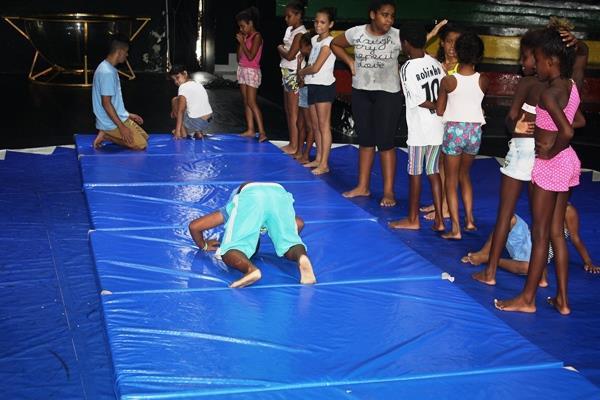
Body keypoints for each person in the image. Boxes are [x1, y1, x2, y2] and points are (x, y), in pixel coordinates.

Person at [472, 19, 587, 286]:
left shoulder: (545, 85)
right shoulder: (550, 84)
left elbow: (513, 120)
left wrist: (521, 128)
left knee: (523, 218)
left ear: (542, 58)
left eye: (526, 57)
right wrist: (520, 127)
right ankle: (517, 274)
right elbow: (512, 119)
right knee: (532, 220)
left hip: (535, 154)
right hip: (539, 154)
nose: (523, 63)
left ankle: (497, 273)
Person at [494, 26, 582, 315]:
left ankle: (528, 298)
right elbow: (574, 122)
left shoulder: (548, 94)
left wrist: (550, 151)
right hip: (569, 161)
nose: (537, 66)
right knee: (557, 232)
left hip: (551, 163)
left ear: (551, 61)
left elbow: (567, 131)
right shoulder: (571, 84)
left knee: (541, 233)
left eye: (540, 59)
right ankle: (563, 301)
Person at [188, 182, 317, 288]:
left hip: (251, 194)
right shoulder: (261, 218)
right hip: (278, 193)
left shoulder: (236, 210)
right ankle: (301, 257)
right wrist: (286, 239)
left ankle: (251, 270)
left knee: (231, 247)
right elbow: (299, 223)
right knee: (290, 242)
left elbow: (194, 226)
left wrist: (204, 245)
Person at [388, 22, 445, 231]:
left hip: (420, 129)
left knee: (415, 173)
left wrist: (437, 106)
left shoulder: (408, 68)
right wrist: (441, 107)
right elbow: (444, 90)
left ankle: (413, 218)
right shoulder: (435, 63)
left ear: (405, 44)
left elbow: (418, 100)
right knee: (433, 171)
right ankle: (439, 219)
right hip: (438, 127)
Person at [436, 31, 489, 239]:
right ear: (480, 56)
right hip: (475, 133)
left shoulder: (449, 81)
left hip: (454, 132)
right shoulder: (483, 80)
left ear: (457, 52)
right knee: (465, 176)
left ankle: (456, 229)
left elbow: (440, 110)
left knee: (450, 180)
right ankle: (469, 220)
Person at [463, 205, 600, 279]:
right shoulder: (542, 197)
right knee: (508, 217)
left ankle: (489, 259)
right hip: (526, 238)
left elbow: (575, 238)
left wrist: (588, 262)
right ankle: (483, 253)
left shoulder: (568, 211)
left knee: (530, 269)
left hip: (538, 254)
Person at [421, 22, 462, 221]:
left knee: (450, 167)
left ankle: (446, 207)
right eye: (448, 42)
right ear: (442, 43)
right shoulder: (436, 64)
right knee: (440, 165)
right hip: (440, 121)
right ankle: (440, 202)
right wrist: (433, 33)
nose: (452, 47)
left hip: (456, 122)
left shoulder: (463, 68)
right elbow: (415, 48)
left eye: (457, 43)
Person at [297, 8, 337, 175]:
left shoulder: (329, 43)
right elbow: (311, 62)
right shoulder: (314, 39)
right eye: (316, 21)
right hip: (313, 85)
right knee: (315, 125)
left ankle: (324, 163)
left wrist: (301, 72)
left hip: (324, 86)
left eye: (323, 22)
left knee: (323, 125)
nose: (318, 25)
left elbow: (315, 67)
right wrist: (305, 72)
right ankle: (319, 158)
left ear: (330, 24)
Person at [92, 34, 148, 150]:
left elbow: (114, 102)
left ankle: (109, 132)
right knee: (141, 145)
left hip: (116, 117)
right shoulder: (107, 72)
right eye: (126, 52)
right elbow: (106, 103)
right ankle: (107, 135)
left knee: (145, 137)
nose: (127, 55)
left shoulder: (109, 68)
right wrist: (122, 127)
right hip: (110, 122)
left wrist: (128, 115)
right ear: (120, 51)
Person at [277, 0, 307, 155]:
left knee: (294, 111)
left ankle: (295, 145)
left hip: (293, 72)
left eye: (289, 16)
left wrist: (279, 48)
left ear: (299, 15)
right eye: (286, 16)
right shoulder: (290, 30)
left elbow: (289, 55)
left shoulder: (300, 33)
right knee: (289, 110)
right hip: (286, 72)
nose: (286, 19)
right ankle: (292, 142)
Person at [235, 6, 267, 142]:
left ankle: (263, 132)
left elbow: (251, 56)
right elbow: (239, 58)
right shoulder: (246, 37)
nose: (241, 29)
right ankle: (250, 129)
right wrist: (241, 43)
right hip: (242, 69)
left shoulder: (257, 36)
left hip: (252, 71)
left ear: (250, 23)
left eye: (243, 26)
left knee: (252, 101)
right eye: (240, 27)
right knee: (246, 101)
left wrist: (242, 43)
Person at [169, 65, 213, 139]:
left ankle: (183, 133)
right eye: (174, 80)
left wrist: (177, 130)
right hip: (208, 121)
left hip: (198, 122)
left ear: (185, 73)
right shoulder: (197, 84)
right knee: (186, 103)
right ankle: (198, 132)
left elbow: (181, 111)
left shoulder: (183, 87)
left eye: (177, 78)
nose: (176, 82)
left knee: (174, 101)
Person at [296, 32, 315, 164]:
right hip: (303, 92)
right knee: (299, 123)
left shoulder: (312, 62)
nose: (300, 49)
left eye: (301, 46)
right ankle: (299, 151)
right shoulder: (305, 60)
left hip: (308, 92)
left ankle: (306, 154)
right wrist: (298, 64)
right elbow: (299, 80)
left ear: (309, 47)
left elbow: (302, 81)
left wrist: (300, 70)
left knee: (310, 126)